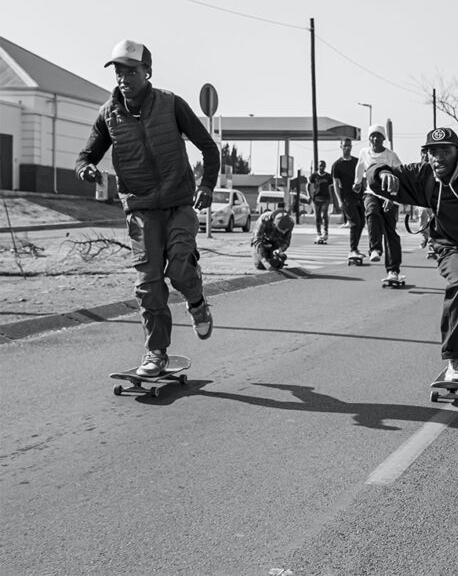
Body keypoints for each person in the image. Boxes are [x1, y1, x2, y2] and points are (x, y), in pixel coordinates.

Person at [75, 39, 217, 377]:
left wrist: (207, 186)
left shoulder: (171, 105)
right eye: (119, 71)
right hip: (140, 209)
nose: (124, 77)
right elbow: (85, 156)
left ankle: (197, 303)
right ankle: (156, 352)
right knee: (148, 282)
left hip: (179, 203)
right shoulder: (108, 115)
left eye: (131, 71)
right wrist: (86, 169)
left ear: (147, 72)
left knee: (180, 269)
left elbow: (209, 148)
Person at [366, 127, 458, 382]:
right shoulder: (424, 175)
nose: (438, 158)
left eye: (445, 151)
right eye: (433, 152)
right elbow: (372, 174)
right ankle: (457, 363)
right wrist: (383, 172)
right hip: (450, 246)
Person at [356, 125, 404, 282]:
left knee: (390, 231)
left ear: (384, 138)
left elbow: (399, 176)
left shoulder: (391, 155)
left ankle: (393, 271)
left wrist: (393, 198)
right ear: (369, 138)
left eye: (378, 136)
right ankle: (375, 248)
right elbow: (359, 167)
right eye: (372, 136)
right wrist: (357, 182)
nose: (375, 139)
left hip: (389, 195)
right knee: (371, 211)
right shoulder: (364, 153)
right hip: (371, 192)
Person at [331, 138, 365, 260]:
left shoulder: (357, 161)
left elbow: (363, 177)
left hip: (359, 196)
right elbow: (335, 184)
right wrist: (339, 200)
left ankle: (355, 248)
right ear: (340, 146)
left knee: (361, 223)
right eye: (345, 145)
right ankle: (352, 250)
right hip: (346, 198)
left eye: (349, 145)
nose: (347, 147)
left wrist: (362, 188)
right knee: (355, 222)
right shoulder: (337, 165)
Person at [252, 202, 294, 269]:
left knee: (276, 264)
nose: (283, 233)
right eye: (281, 231)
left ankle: (276, 261)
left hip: (276, 243)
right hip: (262, 242)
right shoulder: (263, 220)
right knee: (260, 265)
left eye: (285, 231)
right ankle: (263, 258)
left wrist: (280, 250)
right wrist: (264, 261)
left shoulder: (290, 223)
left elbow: (286, 241)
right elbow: (257, 240)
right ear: (274, 224)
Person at [308, 160, 333, 242]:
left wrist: (333, 199)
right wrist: (309, 195)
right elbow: (308, 185)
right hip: (316, 198)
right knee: (317, 216)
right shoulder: (314, 176)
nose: (321, 167)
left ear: (325, 167)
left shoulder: (328, 176)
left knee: (324, 215)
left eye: (323, 166)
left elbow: (331, 187)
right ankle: (318, 233)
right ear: (318, 167)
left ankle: (325, 232)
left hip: (326, 198)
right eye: (320, 166)